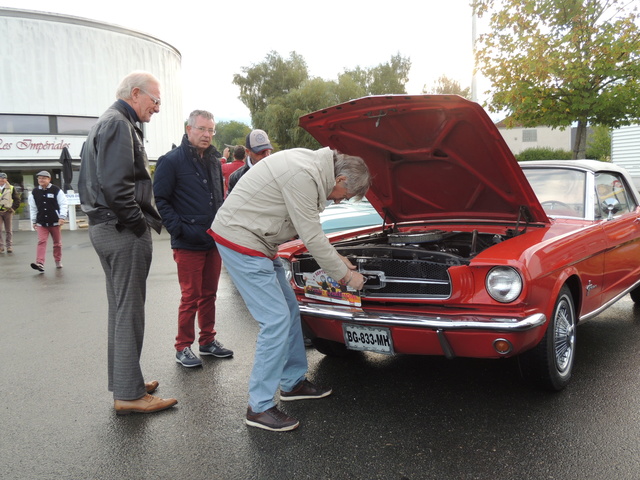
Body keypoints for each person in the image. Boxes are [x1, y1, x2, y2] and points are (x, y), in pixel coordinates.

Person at [210, 147, 370, 431]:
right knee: (275, 319)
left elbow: (311, 231)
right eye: (343, 196)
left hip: (259, 241)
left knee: (290, 309)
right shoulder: (304, 174)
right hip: (242, 242)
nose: (338, 202)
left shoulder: (312, 167)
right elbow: (310, 235)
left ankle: (292, 383)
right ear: (341, 179)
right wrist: (346, 276)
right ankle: (258, 407)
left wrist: (338, 259)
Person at [78, 70, 177, 415]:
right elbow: (118, 187)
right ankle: (130, 394)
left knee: (122, 310)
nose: (158, 107)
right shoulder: (119, 124)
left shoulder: (106, 122)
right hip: (120, 229)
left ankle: (127, 382)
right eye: (155, 100)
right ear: (136, 94)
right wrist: (138, 225)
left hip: (105, 227)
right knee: (129, 311)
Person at [154, 110, 233, 368]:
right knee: (190, 296)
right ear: (189, 129)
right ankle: (183, 346)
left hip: (212, 239)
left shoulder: (213, 160)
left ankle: (207, 341)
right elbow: (161, 200)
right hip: (188, 241)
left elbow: (218, 198)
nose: (207, 135)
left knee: (209, 294)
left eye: (211, 130)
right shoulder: (171, 161)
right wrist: (179, 229)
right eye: (201, 129)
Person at [28, 171, 68, 271]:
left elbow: (63, 204)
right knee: (41, 241)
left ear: (49, 179)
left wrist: (62, 217)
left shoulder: (56, 190)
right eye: (39, 178)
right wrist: (34, 221)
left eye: (44, 178)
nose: (41, 180)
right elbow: (33, 208)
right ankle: (40, 263)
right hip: (41, 222)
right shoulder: (35, 192)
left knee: (57, 243)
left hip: (55, 222)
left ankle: (58, 260)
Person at [227, 129, 273, 195]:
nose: (266, 155)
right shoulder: (236, 178)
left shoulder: (278, 171)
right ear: (248, 152)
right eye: (260, 152)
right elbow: (232, 204)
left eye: (268, 151)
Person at [0, 173, 20, 254]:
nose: (1, 180)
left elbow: (17, 199)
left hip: (7, 211)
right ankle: (1, 246)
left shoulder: (11, 188)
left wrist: (13, 208)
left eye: (3, 178)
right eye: (0, 178)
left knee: (8, 230)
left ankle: (9, 246)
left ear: (6, 180)